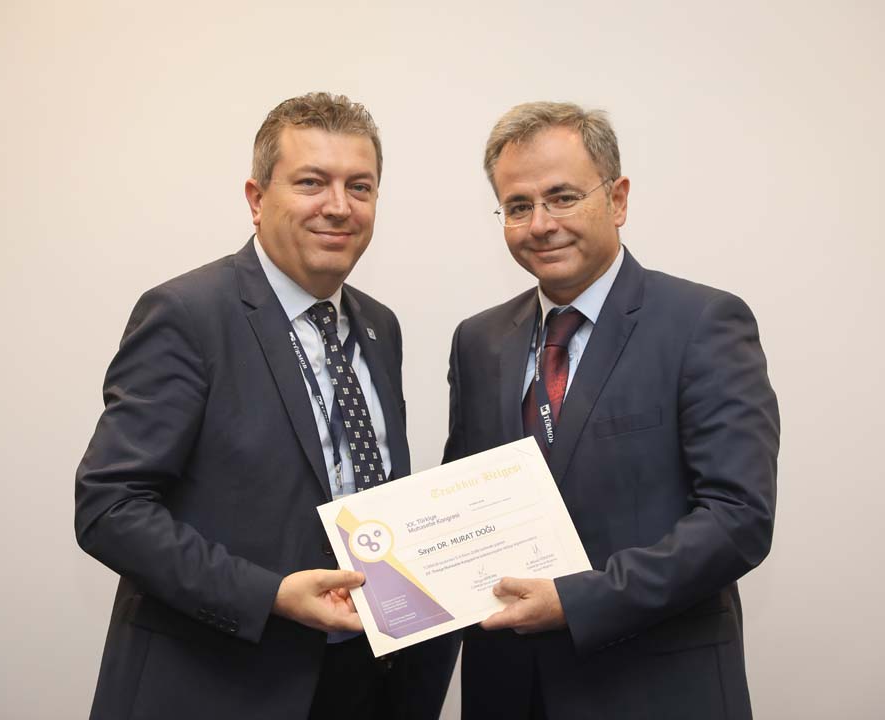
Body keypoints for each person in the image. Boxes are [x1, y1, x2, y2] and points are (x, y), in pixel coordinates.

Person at [75, 92, 458, 720]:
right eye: (312, 182)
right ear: (257, 200)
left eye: (360, 187)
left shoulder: (379, 326)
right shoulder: (188, 315)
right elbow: (108, 509)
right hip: (221, 683)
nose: (339, 206)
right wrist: (270, 594)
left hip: (362, 679)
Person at [443, 101, 780, 720]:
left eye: (563, 197)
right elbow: (462, 504)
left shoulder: (702, 324)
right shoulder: (478, 341)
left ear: (617, 200)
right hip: (508, 689)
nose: (540, 224)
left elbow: (738, 520)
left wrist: (578, 602)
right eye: (518, 206)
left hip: (652, 689)